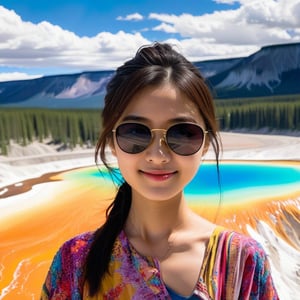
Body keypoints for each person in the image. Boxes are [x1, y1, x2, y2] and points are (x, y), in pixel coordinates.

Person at [41, 43, 279, 299]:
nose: (157, 155)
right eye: (135, 132)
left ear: (206, 143)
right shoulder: (75, 262)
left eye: (182, 134)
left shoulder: (242, 261)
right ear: (111, 141)